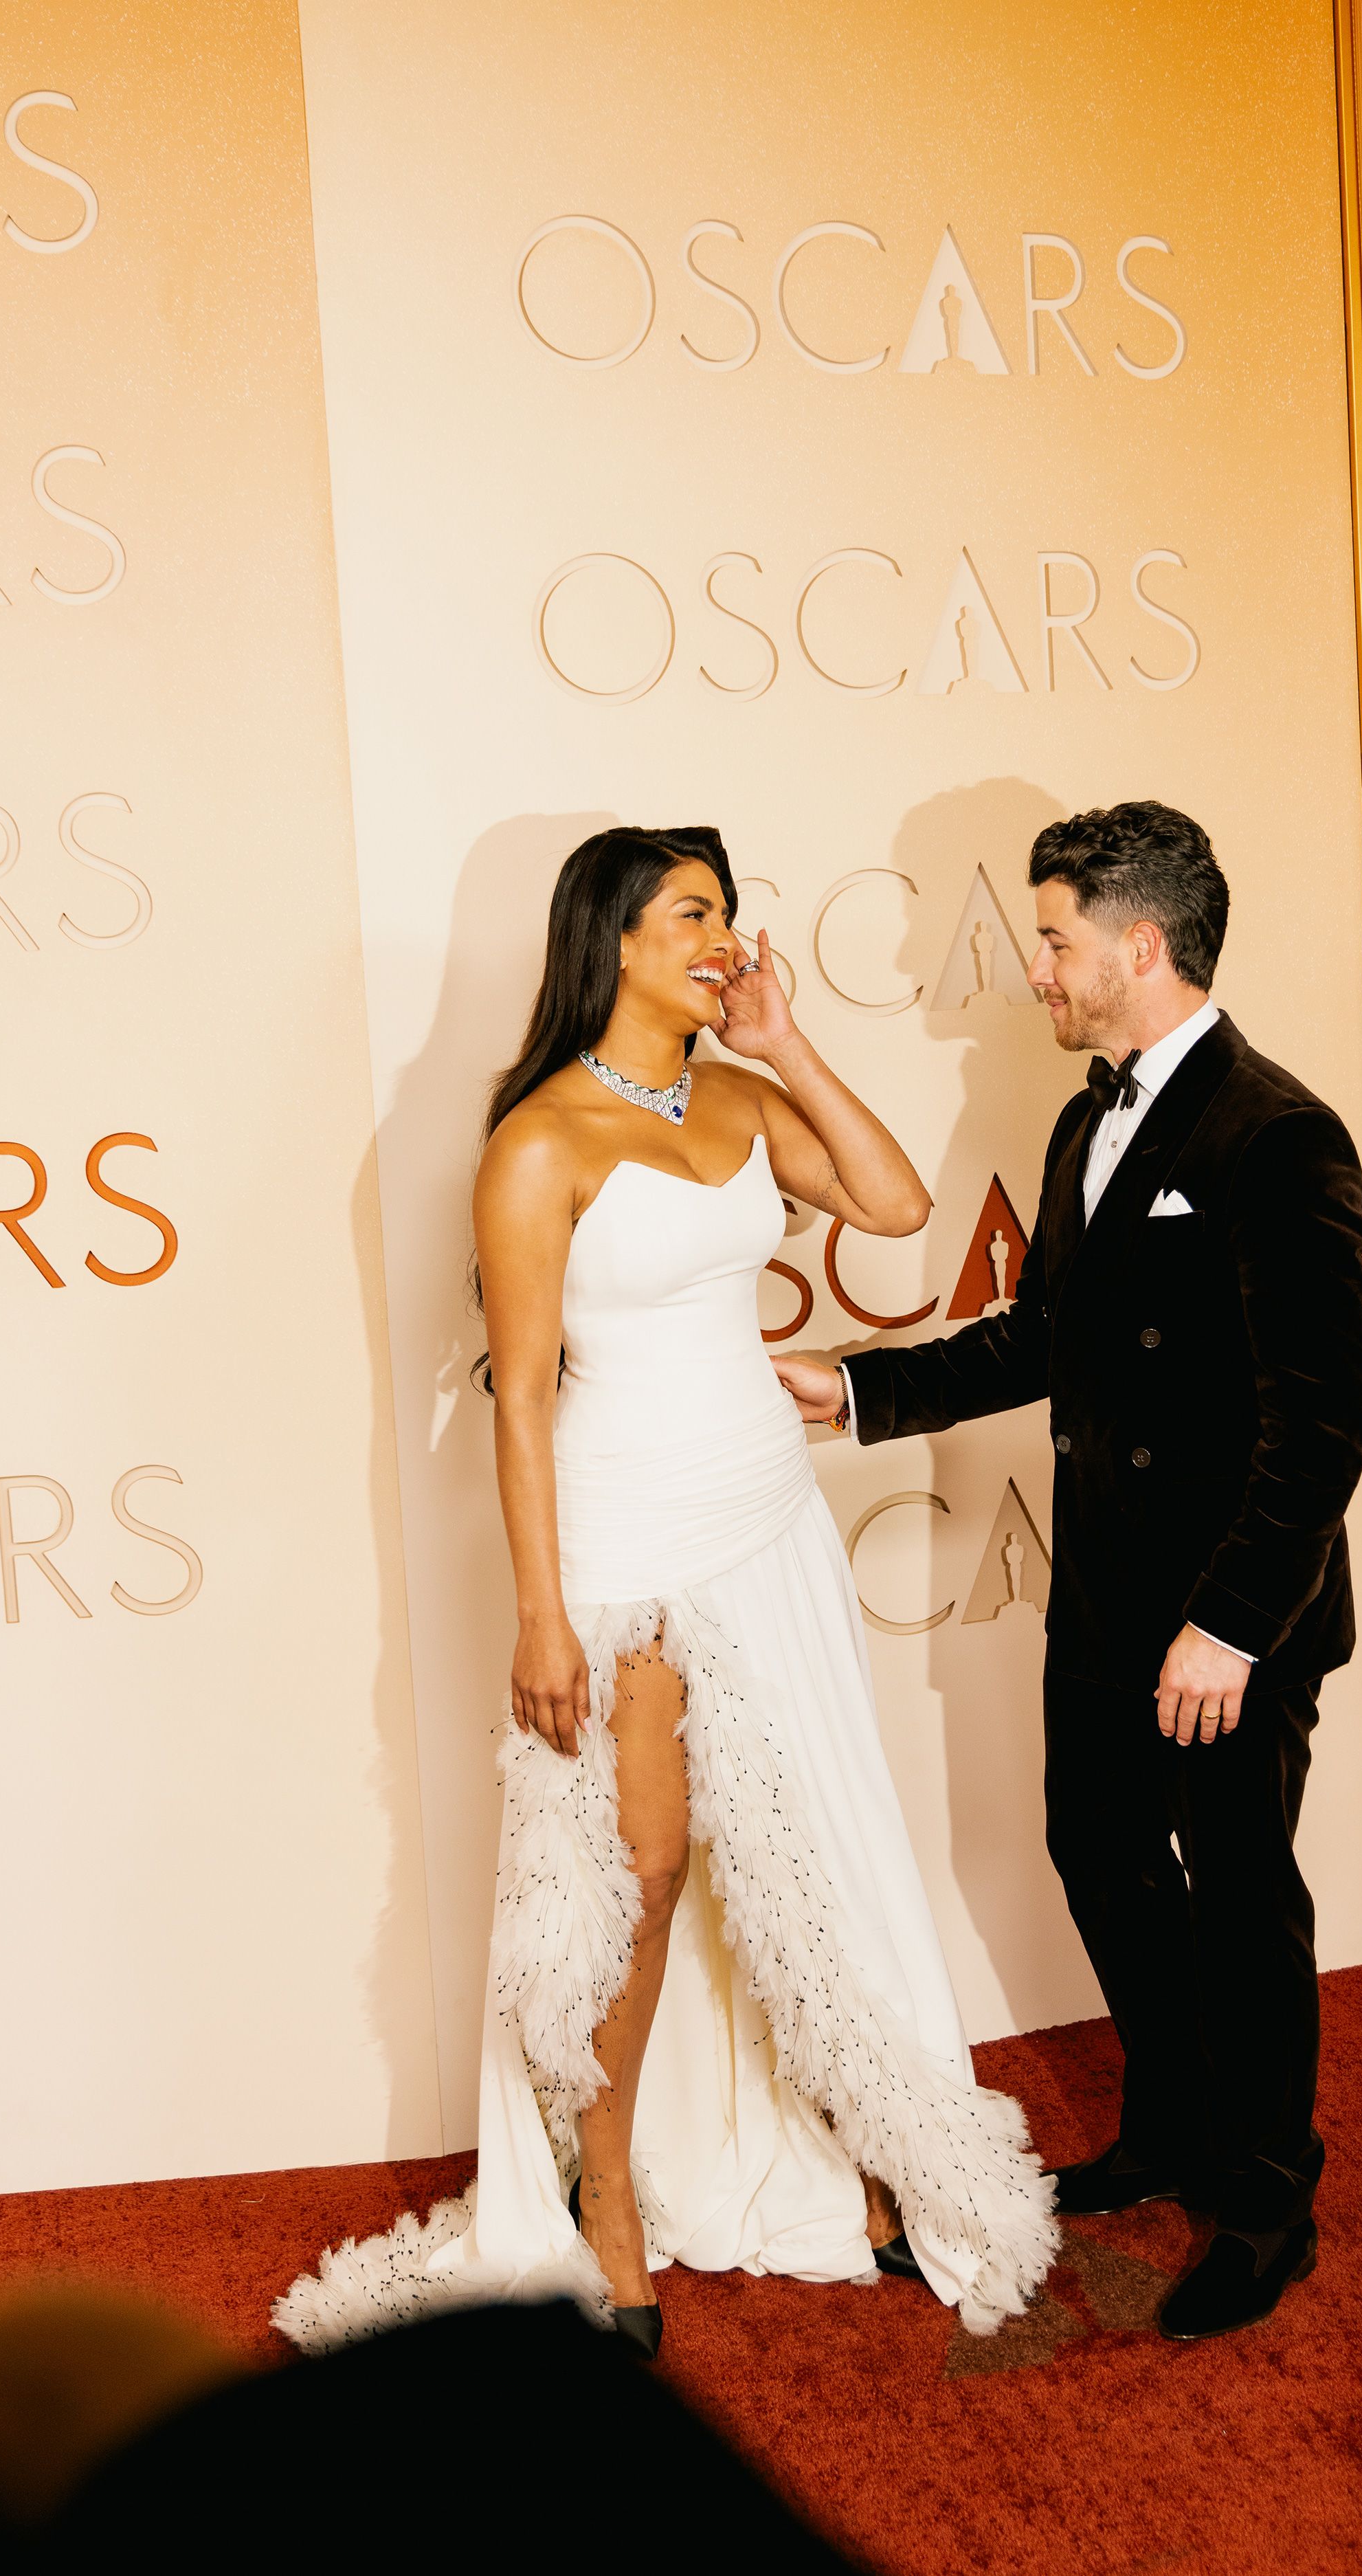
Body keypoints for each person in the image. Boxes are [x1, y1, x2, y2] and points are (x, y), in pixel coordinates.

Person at [275, 827, 1055, 2361]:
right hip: (625, 1533)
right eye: (692, 913)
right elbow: (516, 1400)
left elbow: (896, 1208)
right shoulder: (538, 1142)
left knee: (808, 1836)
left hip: (765, 1508)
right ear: (612, 938)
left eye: (728, 913)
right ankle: (606, 2202)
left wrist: (786, 1039)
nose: (722, 936)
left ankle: (852, 2148)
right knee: (634, 1872)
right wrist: (543, 1612)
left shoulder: (742, 1094)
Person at [776, 801, 1362, 2341]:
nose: (1032, 967)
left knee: (1240, 1896)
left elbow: (1322, 1421)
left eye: (1050, 938)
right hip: (1105, 1592)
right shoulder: (1082, 1116)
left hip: (1227, 1617)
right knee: (1097, 1853)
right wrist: (855, 1392)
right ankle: (1171, 2123)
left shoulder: (1275, 1129)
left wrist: (1232, 1627)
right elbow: (1047, 1337)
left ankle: (1263, 2199)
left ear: (1137, 942)